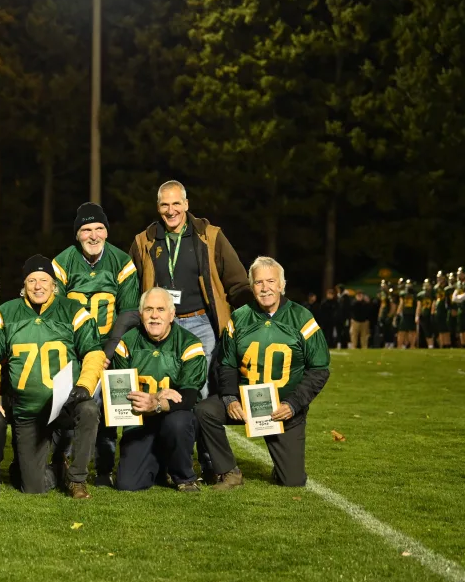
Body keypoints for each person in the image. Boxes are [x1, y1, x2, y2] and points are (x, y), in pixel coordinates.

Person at [128, 181, 251, 479]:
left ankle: (209, 461)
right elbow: (131, 288)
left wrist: (250, 319)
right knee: (160, 386)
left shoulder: (211, 236)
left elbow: (237, 281)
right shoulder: (144, 240)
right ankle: (172, 459)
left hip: (201, 323)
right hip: (160, 324)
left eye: (176, 204)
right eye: (164, 205)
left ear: (186, 204)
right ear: (158, 207)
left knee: (202, 391)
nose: (171, 211)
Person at [0, 255, 106, 499]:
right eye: (32, 280)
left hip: (66, 406)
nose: (38, 286)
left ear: (53, 284)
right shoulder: (7, 313)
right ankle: (58, 469)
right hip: (28, 412)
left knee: (88, 409)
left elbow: (93, 351)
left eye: (44, 280)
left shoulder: (72, 310)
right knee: (32, 488)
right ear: (23, 286)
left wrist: (85, 385)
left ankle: (77, 478)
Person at [196, 257, 331, 489]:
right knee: (204, 411)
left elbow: (319, 369)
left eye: (271, 281)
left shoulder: (301, 318)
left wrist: (293, 404)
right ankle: (229, 472)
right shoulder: (239, 317)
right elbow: (226, 363)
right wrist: (230, 398)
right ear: (252, 286)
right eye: (258, 282)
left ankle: (283, 464)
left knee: (292, 481)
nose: (265, 287)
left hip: (284, 407)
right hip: (248, 403)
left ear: (281, 285)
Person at [52, 202, 139, 486]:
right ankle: (62, 461)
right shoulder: (62, 262)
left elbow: (127, 313)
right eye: (86, 229)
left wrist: (108, 350)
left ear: (106, 232)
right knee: (72, 403)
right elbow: (56, 312)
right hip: (73, 348)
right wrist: (77, 352)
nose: (93, 235)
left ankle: (104, 467)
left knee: (111, 406)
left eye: (99, 228)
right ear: (77, 234)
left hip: (109, 346)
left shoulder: (122, 261)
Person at [111, 288, 207, 492]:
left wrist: (156, 404)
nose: (154, 316)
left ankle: (184, 476)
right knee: (127, 484)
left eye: (161, 309)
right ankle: (160, 463)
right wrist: (156, 396)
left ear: (172, 315)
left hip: (173, 419)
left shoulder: (189, 343)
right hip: (139, 421)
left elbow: (189, 397)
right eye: (149, 309)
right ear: (140, 314)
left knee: (179, 422)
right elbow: (120, 394)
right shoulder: (126, 343)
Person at [396, 280, 417, 349]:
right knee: (402, 331)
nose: (408, 285)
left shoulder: (415, 294)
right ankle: (399, 345)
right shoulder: (403, 293)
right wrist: (398, 313)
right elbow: (401, 304)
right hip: (405, 314)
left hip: (412, 314)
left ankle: (412, 345)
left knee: (412, 331)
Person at [432, 272, 451, 349]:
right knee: (440, 329)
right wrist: (433, 310)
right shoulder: (436, 288)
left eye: (440, 277)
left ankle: (447, 344)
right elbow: (434, 300)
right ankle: (442, 345)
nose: (439, 279)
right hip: (438, 310)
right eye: (438, 277)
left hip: (446, 309)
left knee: (446, 328)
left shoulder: (447, 287)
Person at [416, 279, 434, 349]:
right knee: (427, 332)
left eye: (428, 284)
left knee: (433, 331)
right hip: (424, 314)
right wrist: (417, 315)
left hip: (431, 314)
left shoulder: (433, 293)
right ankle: (430, 346)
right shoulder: (421, 295)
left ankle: (438, 346)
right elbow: (419, 306)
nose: (426, 286)